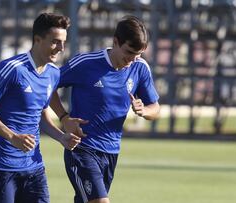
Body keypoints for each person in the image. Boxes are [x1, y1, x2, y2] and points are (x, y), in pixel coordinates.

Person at [50, 15, 160, 203]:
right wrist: (64, 117)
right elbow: (48, 86)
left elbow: (155, 108)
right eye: (129, 52)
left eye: (138, 55)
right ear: (115, 42)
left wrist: (144, 111)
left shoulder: (140, 68)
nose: (132, 60)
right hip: (82, 148)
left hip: (111, 152)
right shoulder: (85, 63)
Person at [0, 13, 81, 203]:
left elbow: (39, 114)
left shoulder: (53, 74)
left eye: (63, 42)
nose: (61, 48)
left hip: (34, 166)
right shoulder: (12, 69)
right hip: (1, 166)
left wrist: (60, 136)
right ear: (37, 40)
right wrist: (12, 137)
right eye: (55, 42)